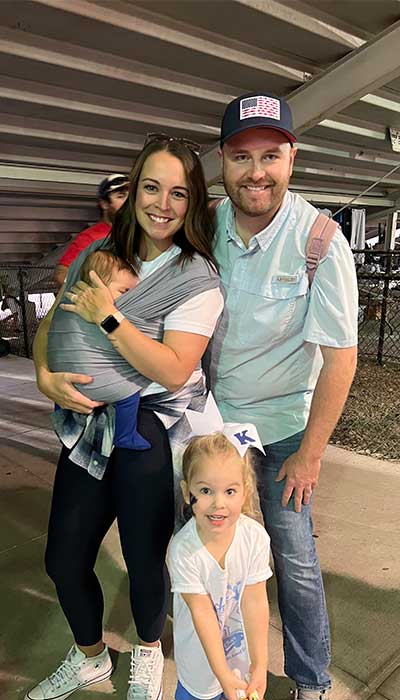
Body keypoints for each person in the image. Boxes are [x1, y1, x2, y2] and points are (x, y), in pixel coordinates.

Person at [27, 134, 224, 700]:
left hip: (146, 430)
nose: (163, 203)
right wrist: (44, 374)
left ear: (194, 204)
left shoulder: (196, 277)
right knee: (64, 560)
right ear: (134, 190)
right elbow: (52, 326)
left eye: (179, 193)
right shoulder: (101, 253)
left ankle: (144, 651)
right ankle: (90, 658)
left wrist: (109, 316)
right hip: (87, 430)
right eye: (152, 187)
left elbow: (172, 367)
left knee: (144, 561)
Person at [207, 92, 358, 700]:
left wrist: (311, 454)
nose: (256, 172)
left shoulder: (319, 240)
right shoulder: (206, 226)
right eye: (242, 157)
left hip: (287, 430)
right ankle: (221, 663)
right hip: (216, 429)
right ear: (223, 160)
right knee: (215, 552)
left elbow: (341, 360)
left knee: (293, 559)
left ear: (292, 157)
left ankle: (310, 680)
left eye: (271, 155)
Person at [167, 422, 272, 700]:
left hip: (241, 663)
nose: (218, 504)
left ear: (245, 491)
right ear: (187, 490)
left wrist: (260, 664)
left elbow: (255, 601)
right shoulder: (183, 550)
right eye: (205, 491)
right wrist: (221, 673)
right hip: (200, 665)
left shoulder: (255, 538)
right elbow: (201, 613)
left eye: (229, 491)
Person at [53, 173, 129, 288]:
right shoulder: (91, 237)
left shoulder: (137, 234)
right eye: (121, 196)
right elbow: (61, 274)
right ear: (104, 204)